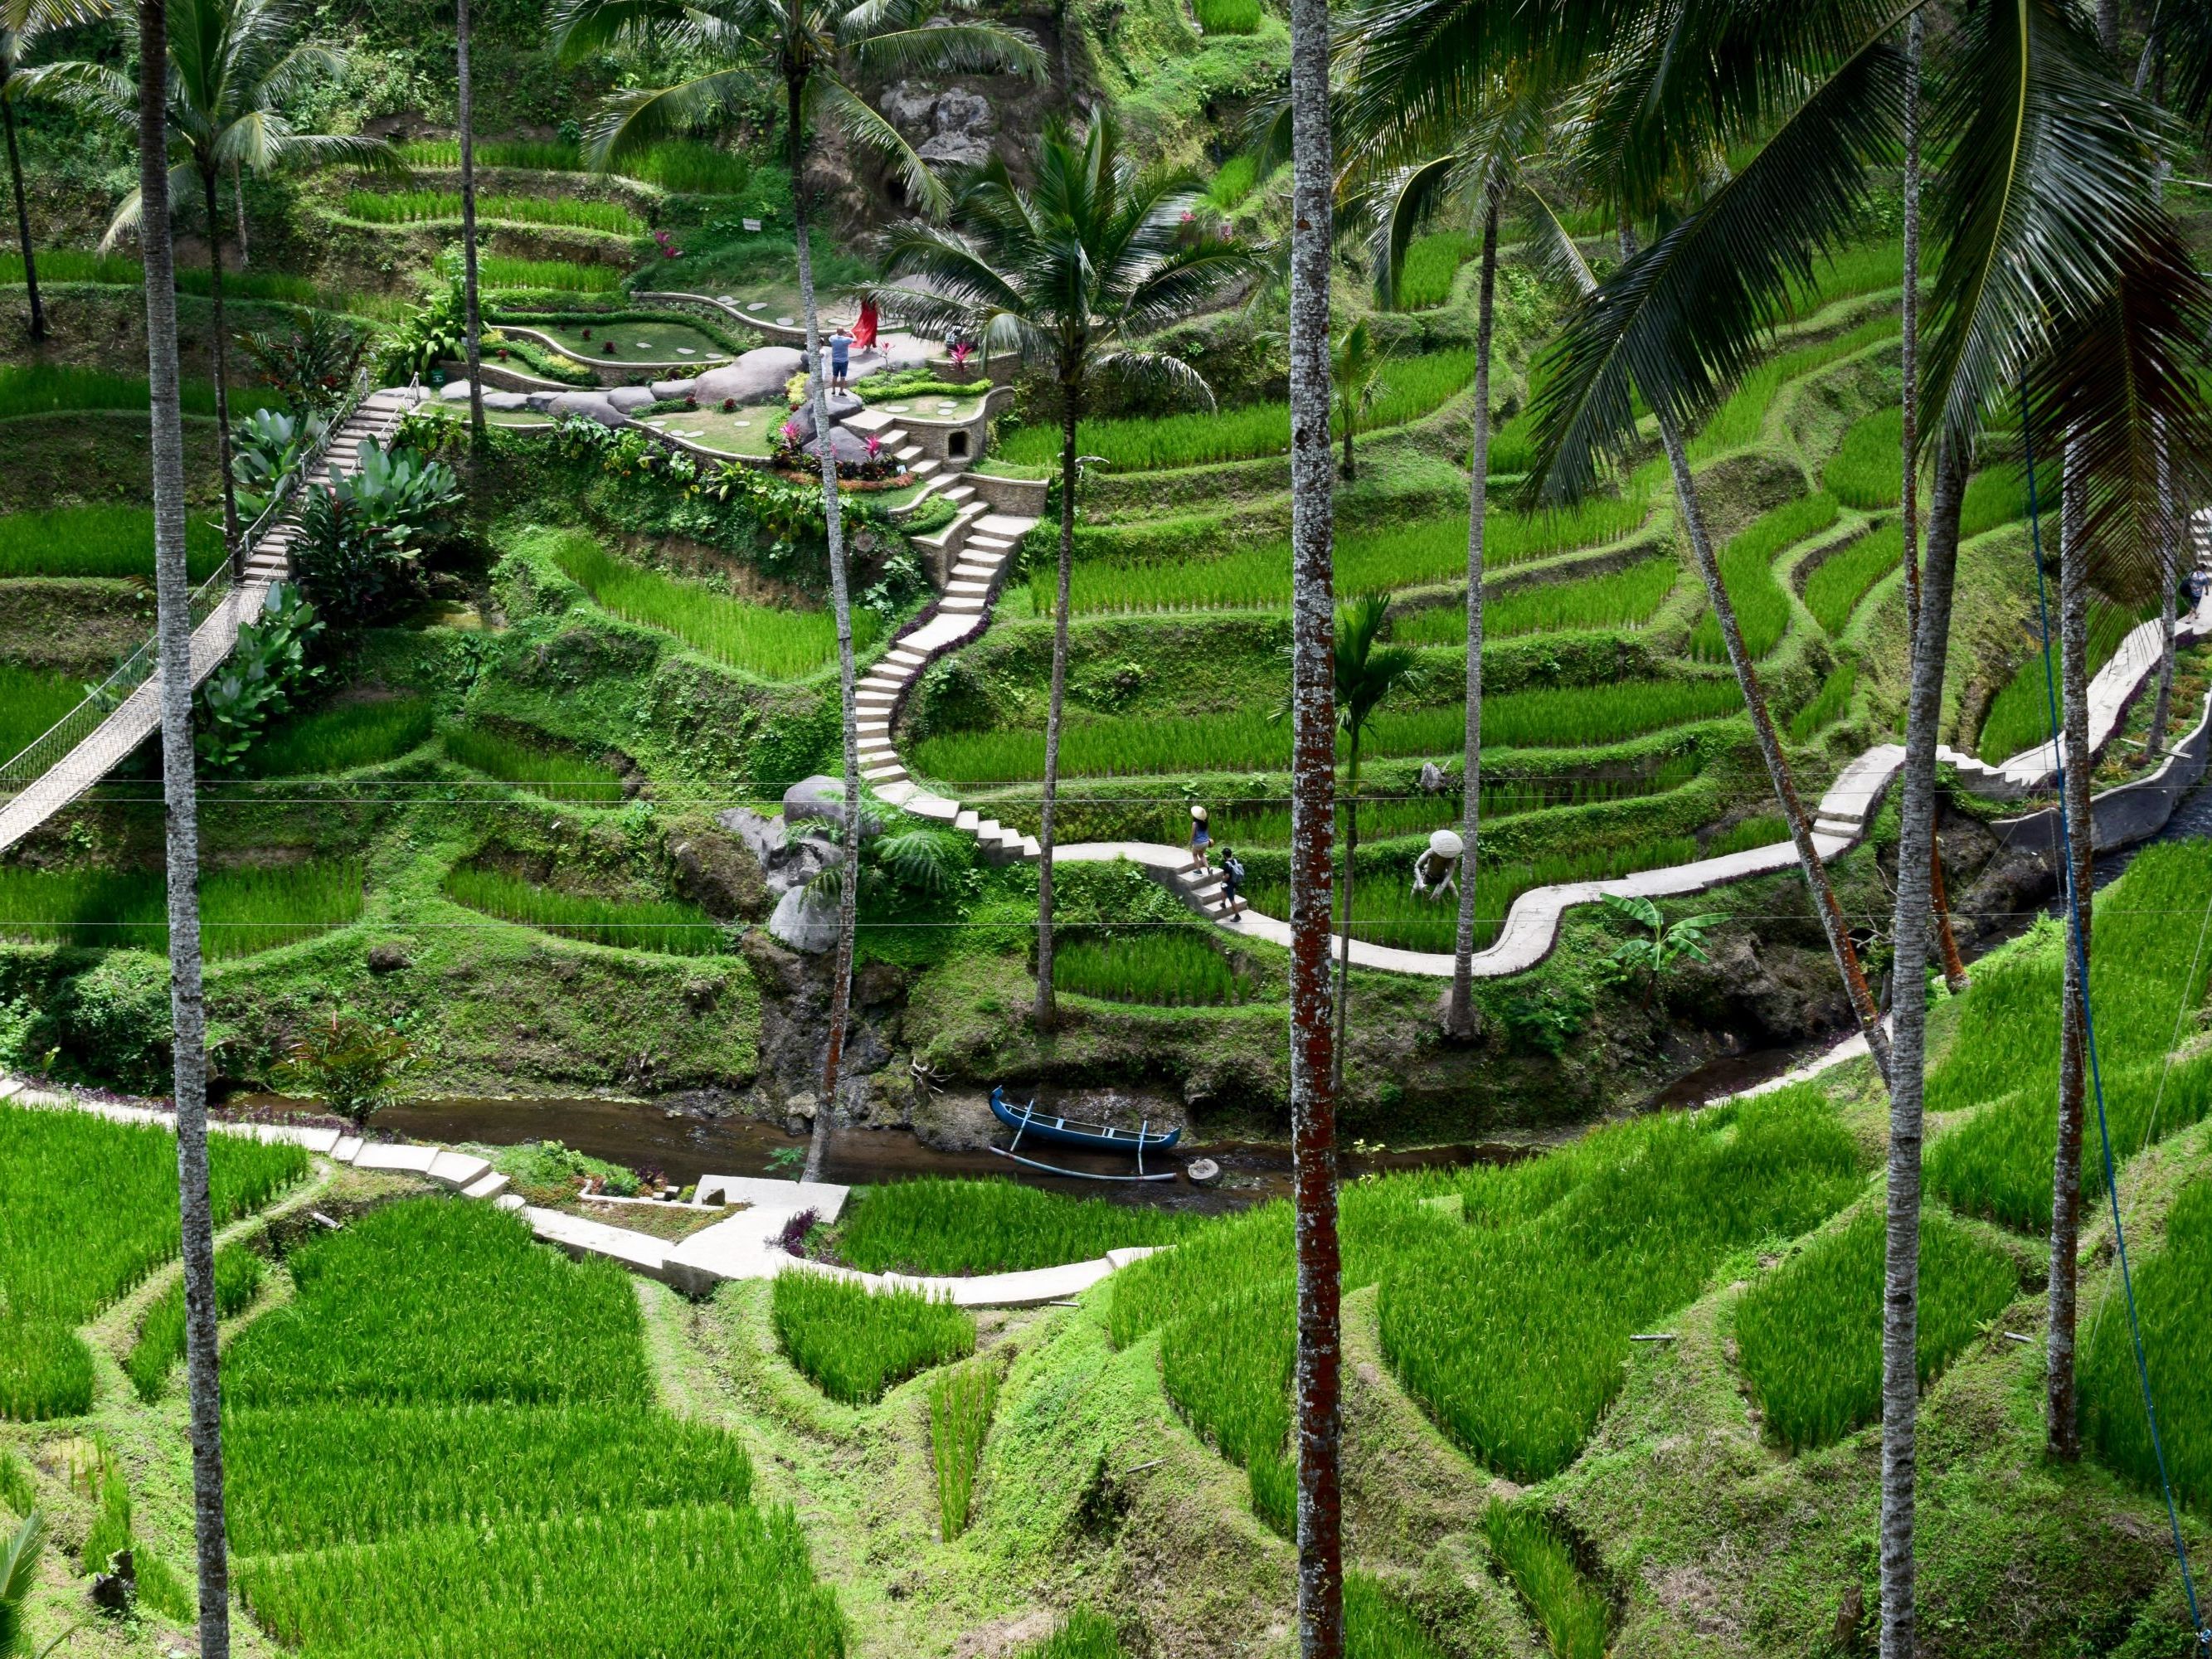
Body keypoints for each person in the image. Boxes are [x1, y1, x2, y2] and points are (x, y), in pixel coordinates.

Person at [1412, 828, 1463, 902]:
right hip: (1427, 874)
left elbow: (1449, 875)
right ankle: (1411, 907)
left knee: (1454, 892)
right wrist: (1420, 883)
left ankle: (1455, 908)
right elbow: (1417, 866)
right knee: (1414, 890)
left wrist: (1440, 889)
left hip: (1442, 875)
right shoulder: (1431, 852)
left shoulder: (1452, 860)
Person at [1218, 847, 1246, 915]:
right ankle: (1223, 903)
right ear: (1231, 854)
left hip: (1229, 884)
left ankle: (1237, 915)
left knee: (1232, 900)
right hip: (1235, 881)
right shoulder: (1236, 860)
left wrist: (1223, 880)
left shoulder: (1227, 864)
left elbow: (1227, 876)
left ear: (1224, 855)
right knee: (1223, 888)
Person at [829, 326, 855, 392]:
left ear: (836, 332)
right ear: (843, 332)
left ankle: (833, 390)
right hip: (844, 361)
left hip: (835, 361)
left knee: (835, 376)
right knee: (843, 377)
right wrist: (852, 334)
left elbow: (834, 335)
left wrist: (841, 333)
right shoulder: (846, 339)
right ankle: (841, 391)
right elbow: (855, 340)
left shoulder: (832, 338)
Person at [1187, 805, 1212, 873]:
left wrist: (1190, 842)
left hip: (1198, 843)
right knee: (1201, 855)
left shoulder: (1195, 823)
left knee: (1194, 855)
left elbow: (1193, 834)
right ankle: (1208, 868)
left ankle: (1199, 870)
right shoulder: (1205, 822)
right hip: (1206, 842)